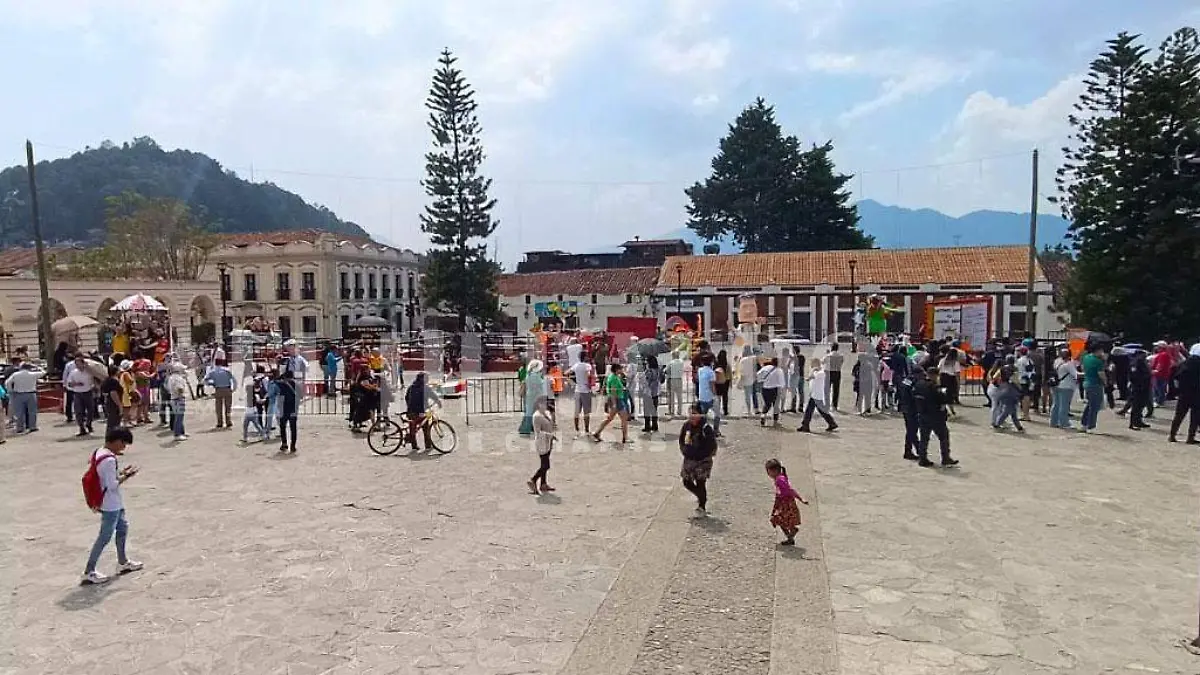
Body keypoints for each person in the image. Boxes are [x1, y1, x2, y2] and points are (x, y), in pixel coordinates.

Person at [81, 427, 143, 585]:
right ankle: (89, 570)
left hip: (112, 502)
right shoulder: (109, 460)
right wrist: (127, 476)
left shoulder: (100, 452)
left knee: (122, 528)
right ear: (116, 441)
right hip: (110, 504)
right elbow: (112, 485)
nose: (123, 448)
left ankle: (123, 562)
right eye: (123, 444)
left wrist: (121, 472)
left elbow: (104, 478)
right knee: (104, 537)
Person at [912, 366, 958, 468]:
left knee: (924, 438)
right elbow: (944, 400)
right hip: (936, 416)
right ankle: (945, 458)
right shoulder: (934, 387)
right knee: (944, 437)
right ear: (935, 375)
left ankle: (922, 458)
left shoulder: (919, 384)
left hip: (922, 414)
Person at [678, 404, 717, 518]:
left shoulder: (706, 428)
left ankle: (702, 506)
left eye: (694, 413)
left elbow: (711, 446)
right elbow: (682, 440)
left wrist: (699, 455)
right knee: (686, 482)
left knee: (700, 483)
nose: (692, 416)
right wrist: (685, 451)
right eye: (690, 413)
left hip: (703, 460)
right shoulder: (686, 426)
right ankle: (701, 497)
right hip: (689, 459)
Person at [765, 458, 808, 546]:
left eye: (769, 471)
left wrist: (801, 499)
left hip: (786, 504)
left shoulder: (780, 480)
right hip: (783, 503)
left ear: (774, 471)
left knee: (779, 519)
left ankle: (791, 535)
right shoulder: (780, 477)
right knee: (785, 520)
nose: (768, 474)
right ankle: (790, 536)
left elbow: (790, 490)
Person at [1169, 343, 1200, 444]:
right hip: (1197, 393)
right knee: (1195, 416)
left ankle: (1172, 435)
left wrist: (1178, 390)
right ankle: (1190, 437)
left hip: (1184, 393)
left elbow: (1176, 377)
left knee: (1179, 415)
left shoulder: (1185, 364)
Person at [592, 363, 631, 443]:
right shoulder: (614, 378)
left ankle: (597, 432)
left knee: (609, 418)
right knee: (624, 419)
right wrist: (614, 404)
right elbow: (613, 391)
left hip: (615, 399)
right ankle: (625, 438)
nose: (622, 370)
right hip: (617, 399)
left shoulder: (613, 376)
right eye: (620, 369)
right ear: (617, 370)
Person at [797, 358, 838, 433]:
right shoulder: (819, 372)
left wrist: (813, 370)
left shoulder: (820, 373)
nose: (811, 365)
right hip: (815, 394)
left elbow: (810, 377)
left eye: (812, 364)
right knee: (821, 411)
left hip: (816, 395)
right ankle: (832, 423)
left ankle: (805, 426)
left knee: (809, 411)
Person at [403, 373, 441, 450]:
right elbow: (434, 396)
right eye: (427, 378)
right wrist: (438, 402)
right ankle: (428, 445)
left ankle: (414, 446)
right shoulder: (425, 388)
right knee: (426, 428)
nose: (428, 380)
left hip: (411, 411)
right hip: (421, 411)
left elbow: (406, 397)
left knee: (412, 428)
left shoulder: (411, 387)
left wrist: (410, 406)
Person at [527, 396, 557, 494]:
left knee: (545, 463)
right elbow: (537, 432)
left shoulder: (547, 413)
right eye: (544, 403)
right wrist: (550, 435)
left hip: (548, 441)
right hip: (542, 442)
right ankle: (533, 479)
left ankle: (543, 484)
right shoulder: (536, 416)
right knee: (546, 465)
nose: (546, 405)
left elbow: (552, 425)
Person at [64, 354, 97, 437]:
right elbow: (69, 383)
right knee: (78, 411)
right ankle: (81, 428)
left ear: (83, 363)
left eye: (79, 363)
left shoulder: (89, 372)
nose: (78, 365)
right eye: (76, 364)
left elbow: (95, 380)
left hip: (88, 392)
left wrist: (95, 387)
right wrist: (76, 384)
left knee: (90, 410)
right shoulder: (73, 373)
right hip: (78, 393)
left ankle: (89, 424)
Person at [5, 362, 39, 434]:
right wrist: (35, 366)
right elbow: (44, 372)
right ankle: (32, 427)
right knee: (32, 411)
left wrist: (10, 391)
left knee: (19, 412)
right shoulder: (33, 374)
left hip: (19, 394)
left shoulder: (15, 374)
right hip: (31, 394)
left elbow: (7, 382)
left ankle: (20, 428)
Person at [1049, 348, 1079, 430]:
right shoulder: (1069, 364)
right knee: (1064, 405)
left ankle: (1053, 422)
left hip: (1056, 385)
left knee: (1056, 404)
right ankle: (1064, 423)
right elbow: (1076, 375)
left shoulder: (1057, 361)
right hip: (1066, 386)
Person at [897, 366, 921, 460]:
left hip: (904, 407)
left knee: (911, 430)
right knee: (912, 430)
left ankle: (918, 450)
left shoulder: (906, 380)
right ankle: (908, 451)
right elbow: (913, 395)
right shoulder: (913, 382)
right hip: (911, 409)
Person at [694, 353, 722, 436]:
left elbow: (698, 380)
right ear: (711, 362)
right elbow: (712, 386)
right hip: (710, 397)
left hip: (702, 396)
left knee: (703, 415)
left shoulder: (700, 370)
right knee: (717, 414)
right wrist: (715, 395)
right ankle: (716, 430)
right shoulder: (711, 372)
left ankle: (702, 430)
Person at [204, 359, 236, 429]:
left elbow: (205, 380)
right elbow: (234, 380)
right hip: (227, 389)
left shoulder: (212, 372)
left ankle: (220, 422)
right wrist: (233, 389)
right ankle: (228, 421)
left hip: (218, 389)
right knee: (228, 407)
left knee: (218, 408)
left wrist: (211, 383)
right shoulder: (227, 370)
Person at [275, 368, 299, 453]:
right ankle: (292, 446)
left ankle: (284, 444)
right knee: (293, 428)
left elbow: (275, 379)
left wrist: (282, 379)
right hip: (293, 409)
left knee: (283, 427)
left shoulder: (282, 384)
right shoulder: (296, 384)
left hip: (284, 409)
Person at [756, 357, 786, 426]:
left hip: (765, 388)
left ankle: (763, 415)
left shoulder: (766, 368)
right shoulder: (779, 370)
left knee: (767, 404)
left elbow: (758, 376)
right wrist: (782, 390)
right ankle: (775, 422)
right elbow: (782, 383)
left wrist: (761, 381)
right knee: (776, 405)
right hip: (775, 389)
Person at [242, 367, 267, 443]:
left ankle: (246, 438)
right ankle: (262, 435)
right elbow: (259, 401)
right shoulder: (253, 395)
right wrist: (264, 400)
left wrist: (264, 400)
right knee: (255, 425)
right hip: (251, 412)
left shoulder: (252, 395)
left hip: (251, 412)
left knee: (248, 425)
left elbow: (259, 401)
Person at [571, 354, 595, 434]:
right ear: (585, 357)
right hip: (585, 390)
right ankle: (587, 429)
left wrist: (573, 382)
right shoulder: (587, 365)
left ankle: (576, 429)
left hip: (577, 390)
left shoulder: (576, 365)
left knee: (576, 411)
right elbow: (590, 374)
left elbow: (566, 373)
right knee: (586, 412)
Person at [166, 363, 189, 441]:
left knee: (178, 417)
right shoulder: (178, 378)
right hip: (178, 399)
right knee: (179, 417)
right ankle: (177, 434)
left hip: (173, 398)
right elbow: (179, 389)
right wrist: (181, 396)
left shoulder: (171, 377)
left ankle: (182, 432)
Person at [640, 355, 662, 433]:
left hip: (648, 393)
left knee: (647, 411)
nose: (645, 362)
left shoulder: (649, 371)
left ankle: (647, 426)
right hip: (655, 392)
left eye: (647, 361)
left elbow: (646, 382)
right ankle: (655, 426)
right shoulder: (658, 370)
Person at [736, 347, 759, 415]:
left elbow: (741, 372)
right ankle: (756, 409)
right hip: (753, 378)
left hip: (746, 379)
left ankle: (749, 411)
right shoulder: (754, 358)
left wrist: (740, 381)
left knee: (747, 396)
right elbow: (755, 368)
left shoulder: (742, 360)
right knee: (754, 394)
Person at [825, 343, 844, 411]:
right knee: (836, 390)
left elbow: (823, 362)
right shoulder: (841, 356)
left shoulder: (828, 355)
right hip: (837, 372)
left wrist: (827, 353)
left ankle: (826, 404)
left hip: (829, 372)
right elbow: (841, 362)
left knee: (827, 389)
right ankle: (834, 405)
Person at [665, 351, 685, 417]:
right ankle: (679, 411)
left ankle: (672, 411)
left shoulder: (671, 363)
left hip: (672, 379)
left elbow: (667, 370)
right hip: (680, 379)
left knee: (671, 396)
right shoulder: (681, 362)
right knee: (679, 397)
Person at [787, 346, 805, 413]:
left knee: (794, 392)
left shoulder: (794, 358)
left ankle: (793, 407)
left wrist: (790, 359)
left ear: (794, 350)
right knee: (801, 392)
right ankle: (801, 407)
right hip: (801, 375)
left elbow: (788, 366)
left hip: (795, 376)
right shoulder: (802, 357)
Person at [714, 350, 731, 417]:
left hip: (717, 381)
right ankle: (725, 410)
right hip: (725, 382)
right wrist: (730, 383)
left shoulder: (716, 363)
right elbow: (729, 374)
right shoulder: (727, 363)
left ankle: (717, 410)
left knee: (718, 397)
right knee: (725, 396)